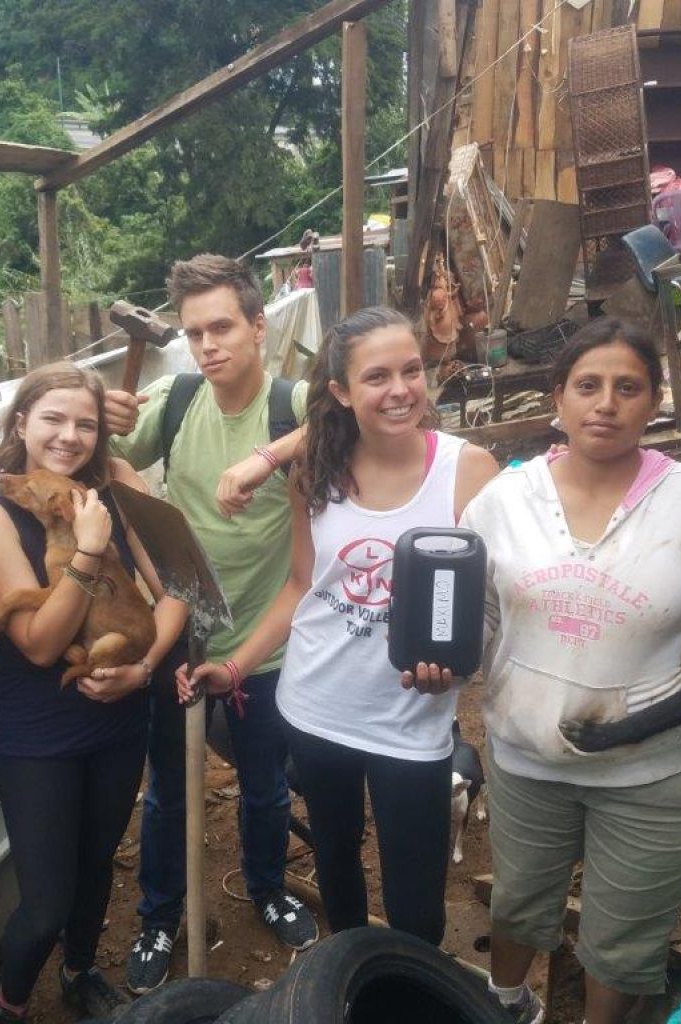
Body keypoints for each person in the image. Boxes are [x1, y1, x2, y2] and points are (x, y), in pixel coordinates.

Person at [458, 318, 681, 1024]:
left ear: (654, 402)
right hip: (527, 760)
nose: (606, 403)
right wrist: (441, 669)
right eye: (588, 386)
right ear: (558, 400)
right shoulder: (503, 502)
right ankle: (507, 1005)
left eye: (627, 388)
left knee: (621, 943)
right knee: (517, 903)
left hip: (661, 775)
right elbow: (476, 612)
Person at [179, 305, 499, 944]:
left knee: (417, 907)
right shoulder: (315, 472)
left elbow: (490, 604)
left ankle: (409, 993)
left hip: (411, 722)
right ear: (341, 393)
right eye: (377, 377)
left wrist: (462, 665)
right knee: (338, 868)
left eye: (412, 370)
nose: (401, 389)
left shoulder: (468, 472)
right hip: (317, 709)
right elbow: (302, 586)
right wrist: (238, 665)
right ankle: (351, 980)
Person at [105, 253, 318, 994]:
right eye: (194, 333)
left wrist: (272, 454)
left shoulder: (293, 403)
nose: (207, 345)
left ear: (260, 326)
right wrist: (101, 412)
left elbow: (363, 412)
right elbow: (89, 453)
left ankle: (265, 886)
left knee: (263, 784)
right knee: (168, 789)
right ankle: (161, 915)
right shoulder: (177, 397)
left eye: (222, 327)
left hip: (267, 642)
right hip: (177, 635)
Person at [0, 363, 188, 1023]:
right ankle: (9, 1003)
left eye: (85, 423)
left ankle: (81, 970)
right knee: (46, 901)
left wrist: (142, 666)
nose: (69, 435)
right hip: (39, 736)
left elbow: (176, 587)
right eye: (53, 419)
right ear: (21, 423)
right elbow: (36, 642)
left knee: (96, 868)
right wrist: (89, 554)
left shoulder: (114, 485)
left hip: (119, 715)